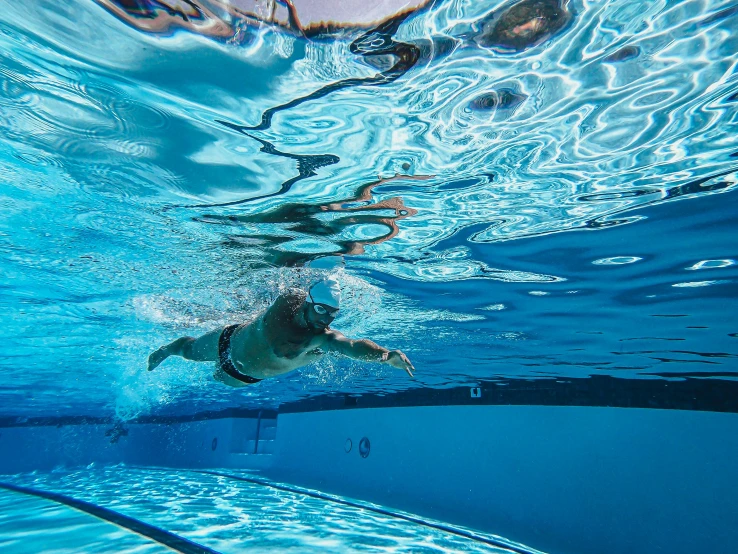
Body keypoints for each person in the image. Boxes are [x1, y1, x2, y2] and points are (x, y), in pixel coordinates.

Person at [147, 277, 415, 387]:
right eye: (321, 311)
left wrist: (385, 355)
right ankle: (167, 349)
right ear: (307, 302)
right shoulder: (286, 302)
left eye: (332, 315)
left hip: (242, 375)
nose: (326, 320)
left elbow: (352, 346)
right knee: (189, 351)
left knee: (217, 377)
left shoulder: (322, 338)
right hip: (228, 341)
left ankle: (208, 365)